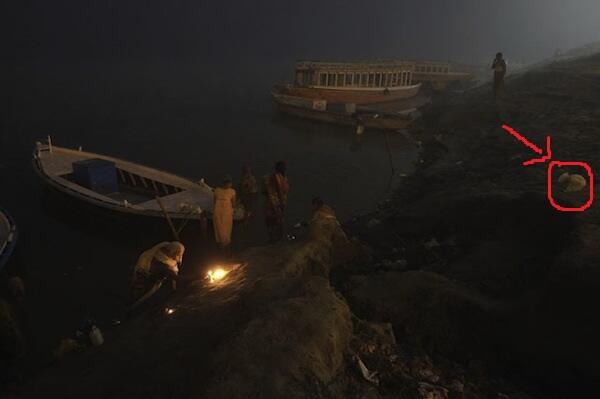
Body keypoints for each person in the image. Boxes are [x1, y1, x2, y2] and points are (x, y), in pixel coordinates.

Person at [129, 241, 184, 309]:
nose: (179, 256)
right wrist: (197, 277)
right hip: (144, 273)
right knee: (138, 293)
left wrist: (174, 288)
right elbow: (175, 276)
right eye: (178, 254)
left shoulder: (167, 246)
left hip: (151, 276)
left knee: (143, 295)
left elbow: (174, 271)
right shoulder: (161, 260)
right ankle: (130, 308)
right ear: (174, 252)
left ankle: (132, 305)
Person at [264, 161, 289, 243]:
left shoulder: (281, 177)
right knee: (275, 220)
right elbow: (279, 191)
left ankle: (274, 239)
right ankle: (275, 239)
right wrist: (281, 203)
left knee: (273, 221)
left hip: (274, 202)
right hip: (275, 202)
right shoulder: (276, 177)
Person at [213, 175, 236, 249]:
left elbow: (233, 203)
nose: (230, 185)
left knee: (227, 227)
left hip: (227, 211)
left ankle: (225, 244)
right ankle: (221, 245)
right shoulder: (217, 190)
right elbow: (214, 202)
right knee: (219, 227)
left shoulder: (232, 191)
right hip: (219, 210)